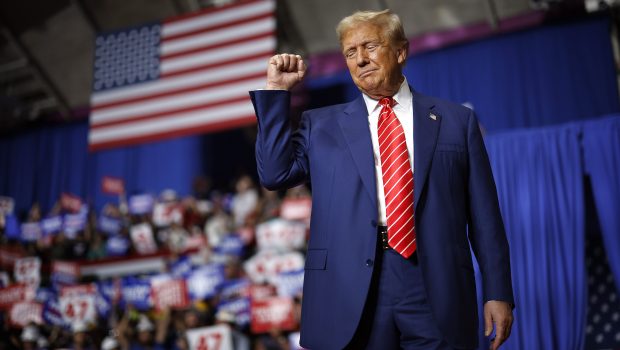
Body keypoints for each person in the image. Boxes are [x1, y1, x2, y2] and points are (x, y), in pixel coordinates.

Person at [249, 9, 514, 350]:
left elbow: (485, 217)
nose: (360, 60)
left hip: (435, 284)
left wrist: (498, 291)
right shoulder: (320, 125)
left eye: (370, 46)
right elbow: (274, 174)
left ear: (401, 51)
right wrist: (276, 93)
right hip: (352, 287)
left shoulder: (456, 122)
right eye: (350, 52)